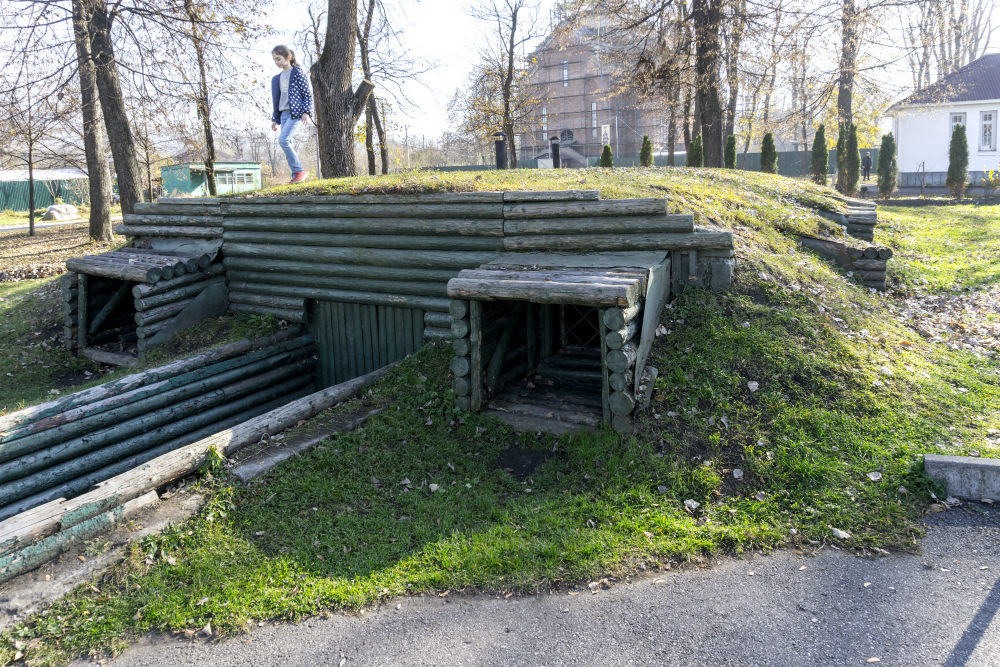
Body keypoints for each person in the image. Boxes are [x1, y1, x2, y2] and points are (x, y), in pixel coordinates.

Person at [270, 45, 313, 184]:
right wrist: (275, 118)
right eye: (274, 60)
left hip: (295, 113)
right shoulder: (276, 79)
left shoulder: (297, 72)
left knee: (283, 140)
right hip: (283, 115)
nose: (277, 62)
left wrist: (306, 112)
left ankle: (299, 170)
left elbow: (307, 94)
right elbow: (276, 100)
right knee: (288, 143)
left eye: (279, 59)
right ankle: (296, 176)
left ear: (288, 58)